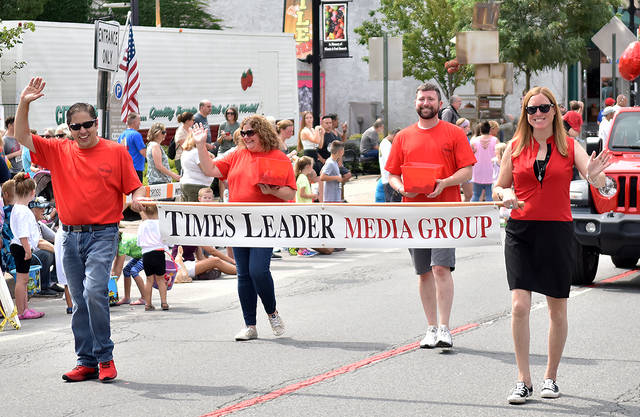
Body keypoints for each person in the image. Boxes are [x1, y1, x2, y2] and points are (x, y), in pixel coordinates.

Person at [15, 77, 146, 383]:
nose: (83, 131)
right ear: (69, 129)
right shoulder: (58, 150)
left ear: (96, 123)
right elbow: (22, 136)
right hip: (69, 235)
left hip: (103, 233)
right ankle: (85, 360)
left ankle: (105, 357)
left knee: (94, 292)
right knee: (78, 298)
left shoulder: (115, 152)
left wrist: (138, 201)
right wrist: (24, 102)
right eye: (76, 127)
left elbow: (135, 189)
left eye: (88, 124)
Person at [493, 86, 612, 404]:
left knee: (556, 307)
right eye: (532, 110)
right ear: (525, 115)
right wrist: (503, 195)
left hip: (558, 232)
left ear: (554, 111)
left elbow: (597, 180)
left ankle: (551, 378)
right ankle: (523, 380)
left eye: (544, 108)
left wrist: (598, 177)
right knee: (519, 306)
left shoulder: (570, 146)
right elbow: (499, 186)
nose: (538, 114)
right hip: (521, 231)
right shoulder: (515, 146)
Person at [386, 83, 476, 349]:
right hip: (414, 213)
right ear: (416, 102)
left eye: (431, 99)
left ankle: (446, 328)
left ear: (439, 104)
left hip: (445, 212)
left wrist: (445, 182)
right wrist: (402, 188)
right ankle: (430, 328)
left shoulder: (454, 134)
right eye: (421, 98)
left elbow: (467, 171)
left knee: (440, 268)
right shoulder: (403, 136)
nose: (426, 103)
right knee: (423, 272)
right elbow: (392, 174)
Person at [192, 115, 296, 341]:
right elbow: (210, 170)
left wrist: (272, 192)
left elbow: (290, 193)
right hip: (238, 223)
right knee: (244, 274)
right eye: (244, 133)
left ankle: (272, 312)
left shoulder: (278, 157)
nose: (246, 137)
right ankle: (250, 324)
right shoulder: (237, 154)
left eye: (251, 132)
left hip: (264, 223)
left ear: (262, 133)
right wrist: (200, 144)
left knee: (259, 270)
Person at [9, 173, 45, 320]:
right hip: (22, 246)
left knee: (23, 280)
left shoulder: (18, 208)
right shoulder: (23, 210)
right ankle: (22, 310)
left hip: (20, 246)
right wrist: (28, 249)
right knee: (22, 280)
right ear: (31, 193)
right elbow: (23, 233)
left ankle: (24, 309)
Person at [138, 204, 168, 311]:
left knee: (149, 280)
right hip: (159, 252)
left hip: (147, 253)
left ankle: (148, 304)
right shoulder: (161, 224)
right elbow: (165, 239)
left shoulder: (142, 225)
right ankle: (164, 303)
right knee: (161, 279)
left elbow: (139, 241)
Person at [180, 129, 215, 202]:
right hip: (197, 185)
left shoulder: (186, 152)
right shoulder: (197, 152)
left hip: (186, 184)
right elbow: (206, 170)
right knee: (195, 211)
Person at [111, 232, 146, 306]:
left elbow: (119, 267)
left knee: (134, 271)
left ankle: (145, 298)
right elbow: (116, 260)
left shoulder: (123, 244)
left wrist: (111, 285)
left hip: (148, 254)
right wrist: (112, 275)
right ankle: (127, 298)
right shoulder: (119, 240)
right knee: (126, 271)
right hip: (140, 255)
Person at [470, 121, 498, 202]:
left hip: (477, 170)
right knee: (490, 195)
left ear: (481, 130)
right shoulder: (495, 140)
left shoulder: (474, 141)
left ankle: (472, 212)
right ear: (489, 130)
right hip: (491, 171)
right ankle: (490, 213)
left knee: (476, 195)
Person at [118, 113, 146, 182]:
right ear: (134, 122)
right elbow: (143, 152)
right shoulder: (136, 135)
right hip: (136, 168)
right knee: (137, 191)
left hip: (125, 168)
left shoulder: (122, 135)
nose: (140, 123)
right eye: (139, 121)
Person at [379, 128, 402, 202]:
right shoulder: (386, 145)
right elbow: (391, 162)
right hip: (390, 180)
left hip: (388, 179)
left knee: (392, 205)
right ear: (395, 136)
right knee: (394, 206)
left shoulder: (385, 143)